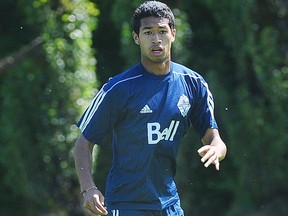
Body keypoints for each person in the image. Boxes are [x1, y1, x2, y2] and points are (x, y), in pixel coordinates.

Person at [74, 1, 227, 215]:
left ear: (173, 33)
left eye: (162, 31)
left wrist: (217, 150)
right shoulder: (118, 88)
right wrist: (88, 189)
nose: (156, 40)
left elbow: (214, 138)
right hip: (127, 205)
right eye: (148, 32)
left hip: (169, 205)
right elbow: (83, 144)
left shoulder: (193, 84)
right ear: (136, 37)